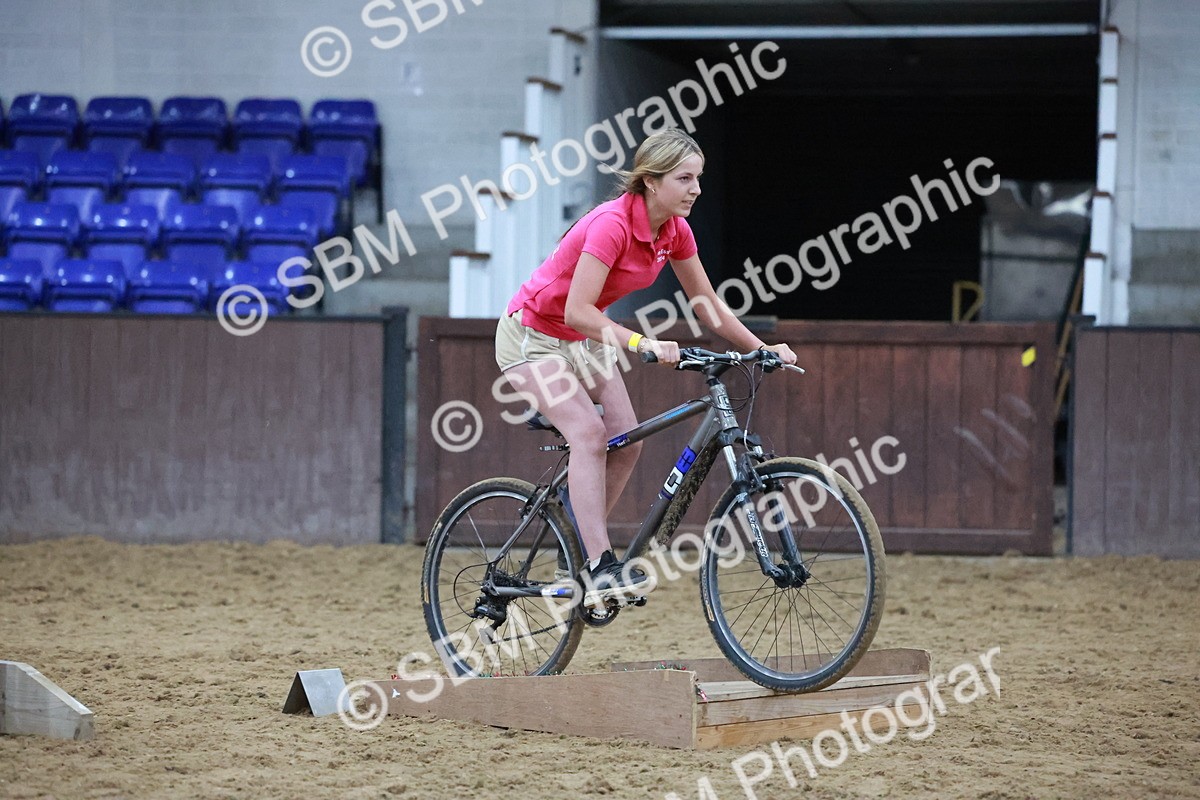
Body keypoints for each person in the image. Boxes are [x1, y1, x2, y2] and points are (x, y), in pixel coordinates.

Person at [494, 128, 797, 594]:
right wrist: (640, 344)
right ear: (651, 182)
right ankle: (598, 563)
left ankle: (573, 547)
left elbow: (706, 303)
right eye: (685, 178)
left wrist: (760, 349)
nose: (696, 189)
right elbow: (577, 309)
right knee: (589, 434)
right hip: (533, 337)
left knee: (626, 441)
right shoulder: (612, 224)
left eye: (699, 178)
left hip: (583, 339)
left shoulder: (674, 230)